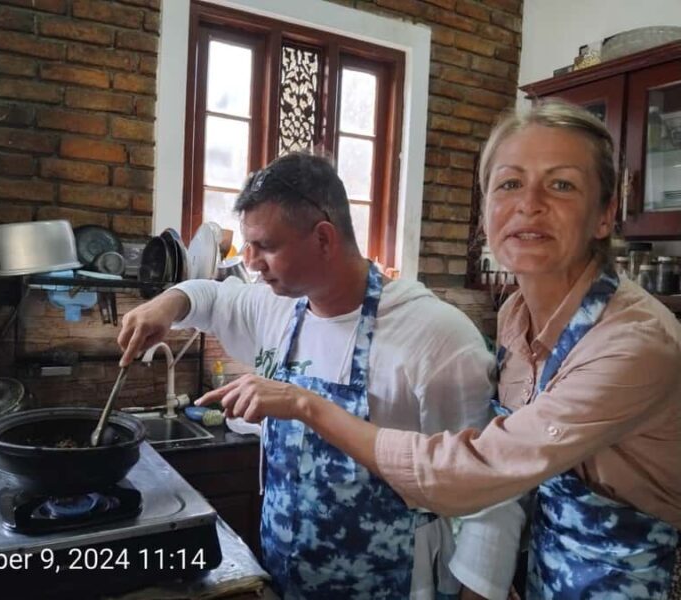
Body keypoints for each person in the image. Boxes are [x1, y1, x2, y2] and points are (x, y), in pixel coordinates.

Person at [199, 102, 681, 599]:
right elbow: (522, 474)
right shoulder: (517, 314)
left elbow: (477, 472)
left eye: (561, 184)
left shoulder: (633, 345)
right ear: (486, 209)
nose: (529, 204)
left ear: (605, 215)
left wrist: (305, 404)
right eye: (509, 183)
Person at [119, 152, 524, 599]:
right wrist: (166, 304)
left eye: (267, 246)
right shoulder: (277, 305)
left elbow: (492, 491)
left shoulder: (434, 336)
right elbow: (209, 297)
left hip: (394, 584)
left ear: (324, 239)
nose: (251, 262)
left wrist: (478, 594)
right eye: (249, 246)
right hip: (289, 577)